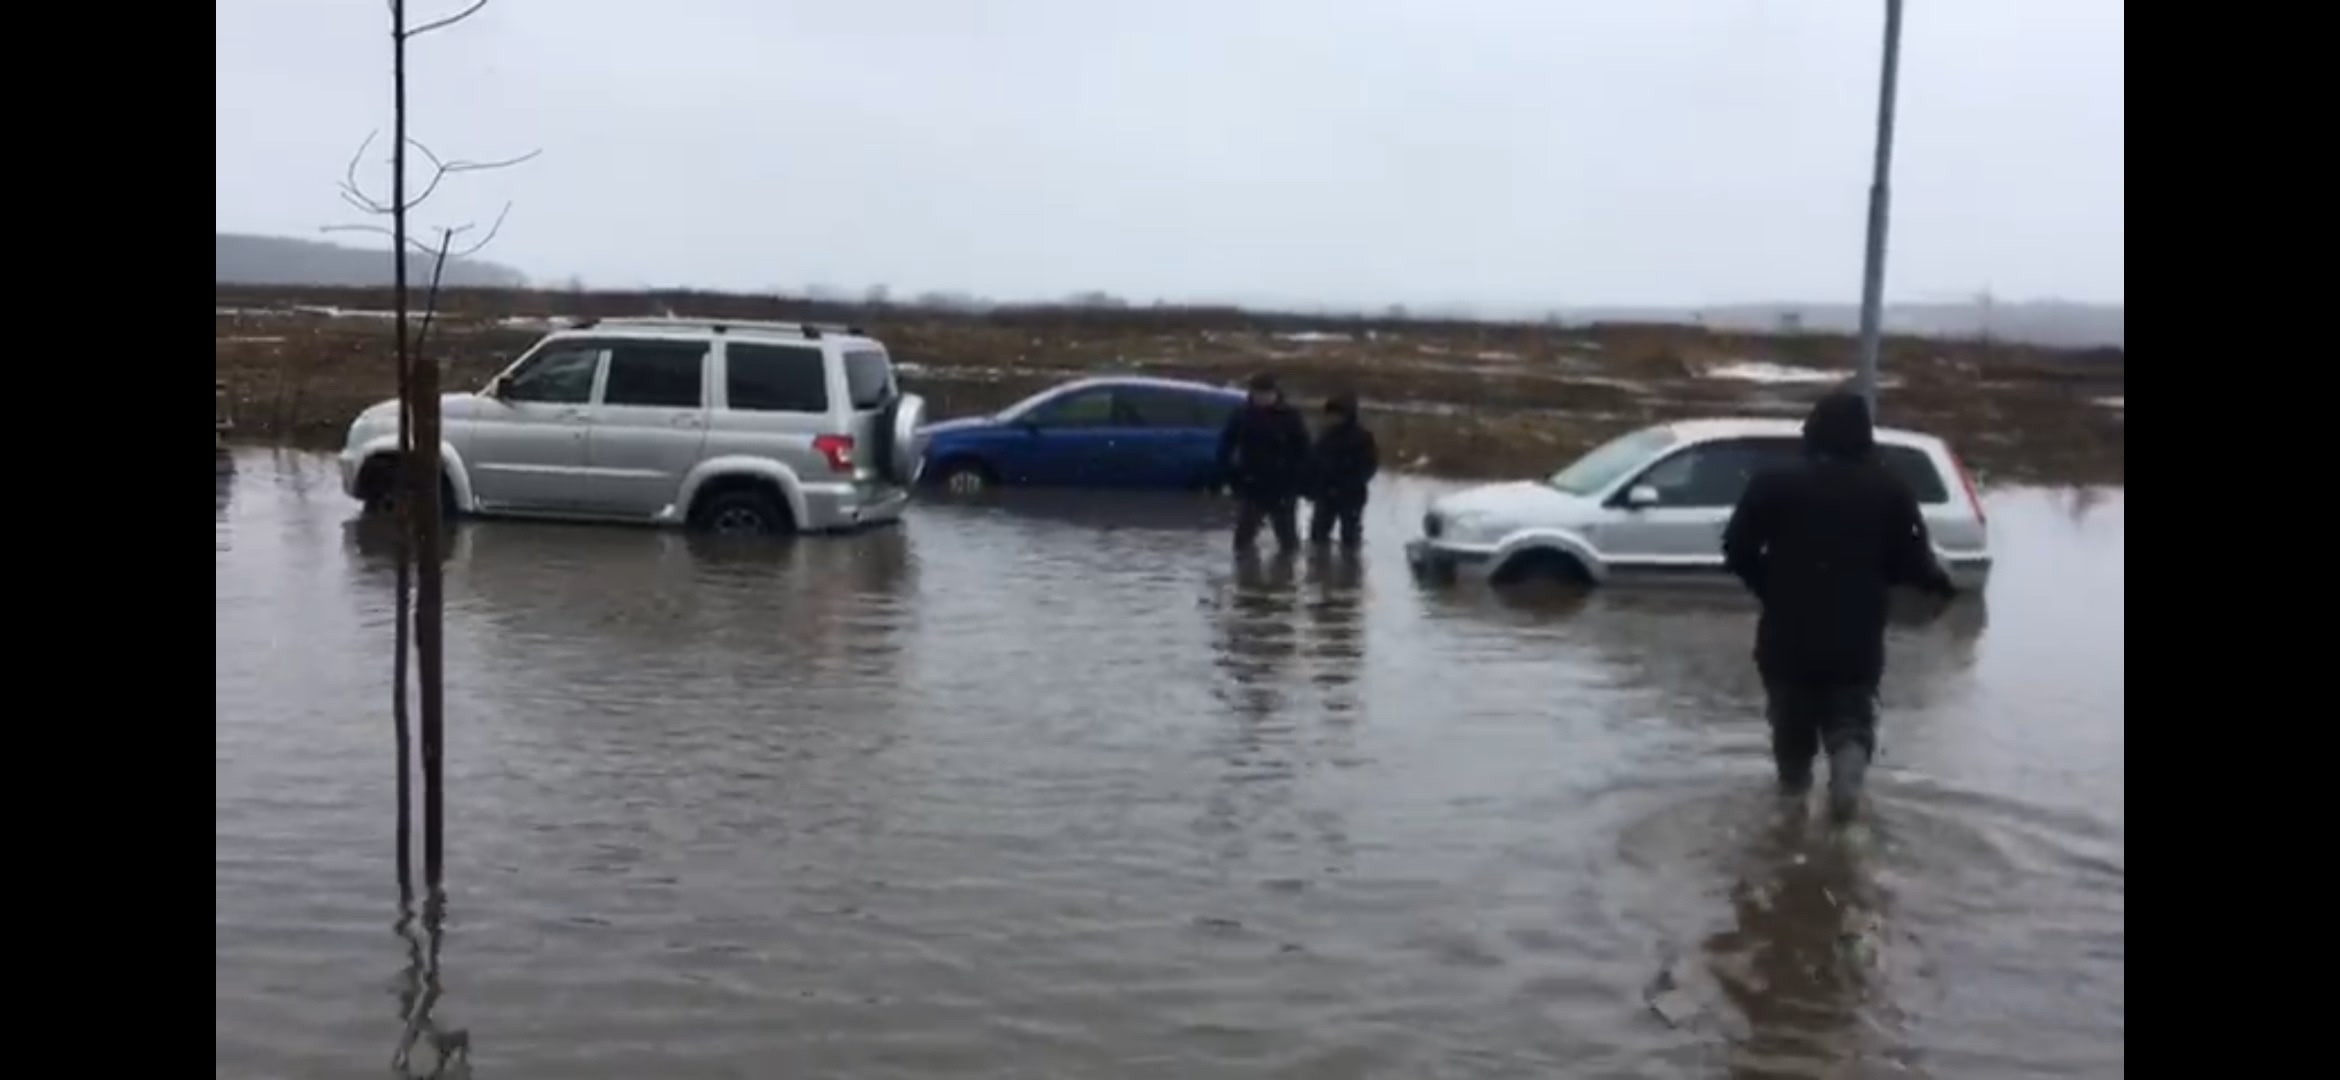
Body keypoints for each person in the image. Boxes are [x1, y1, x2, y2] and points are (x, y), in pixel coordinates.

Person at [1721, 390, 1956, 823]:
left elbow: (1736, 549)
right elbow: (1914, 565)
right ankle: (1847, 779)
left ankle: (1790, 819)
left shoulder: (1774, 482)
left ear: (1813, 430)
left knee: (1791, 743)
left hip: (1786, 640)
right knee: (1849, 720)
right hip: (1855, 641)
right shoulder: (1890, 489)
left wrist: (1771, 587)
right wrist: (1939, 586)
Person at [1217, 373, 1312, 552]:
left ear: (1275, 394)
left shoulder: (1290, 417)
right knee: (1243, 539)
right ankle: (1246, 576)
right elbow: (1226, 446)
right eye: (1258, 394)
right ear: (1251, 394)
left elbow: (1304, 450)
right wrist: (1230, 475)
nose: (1262, 398)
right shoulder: (1242, 415)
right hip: (1252, 484)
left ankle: (1286, 574)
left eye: (1266, 394)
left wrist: (1298, 480)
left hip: (1283, 485)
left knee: (1287, 539)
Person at [1306, 391, 1380, 550]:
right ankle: (1320, 568)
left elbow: (1369, 465)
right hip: (1325, 493)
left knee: (1350, 536)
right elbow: (1313, 462)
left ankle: (1350, 566)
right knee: (1318, 535)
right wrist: (1311, 487)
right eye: (1330, 415)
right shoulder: (1325, 436)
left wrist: (1351, 482)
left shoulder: (1362, 437)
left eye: (1337, 415)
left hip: (1351, 495)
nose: (1333, 419)